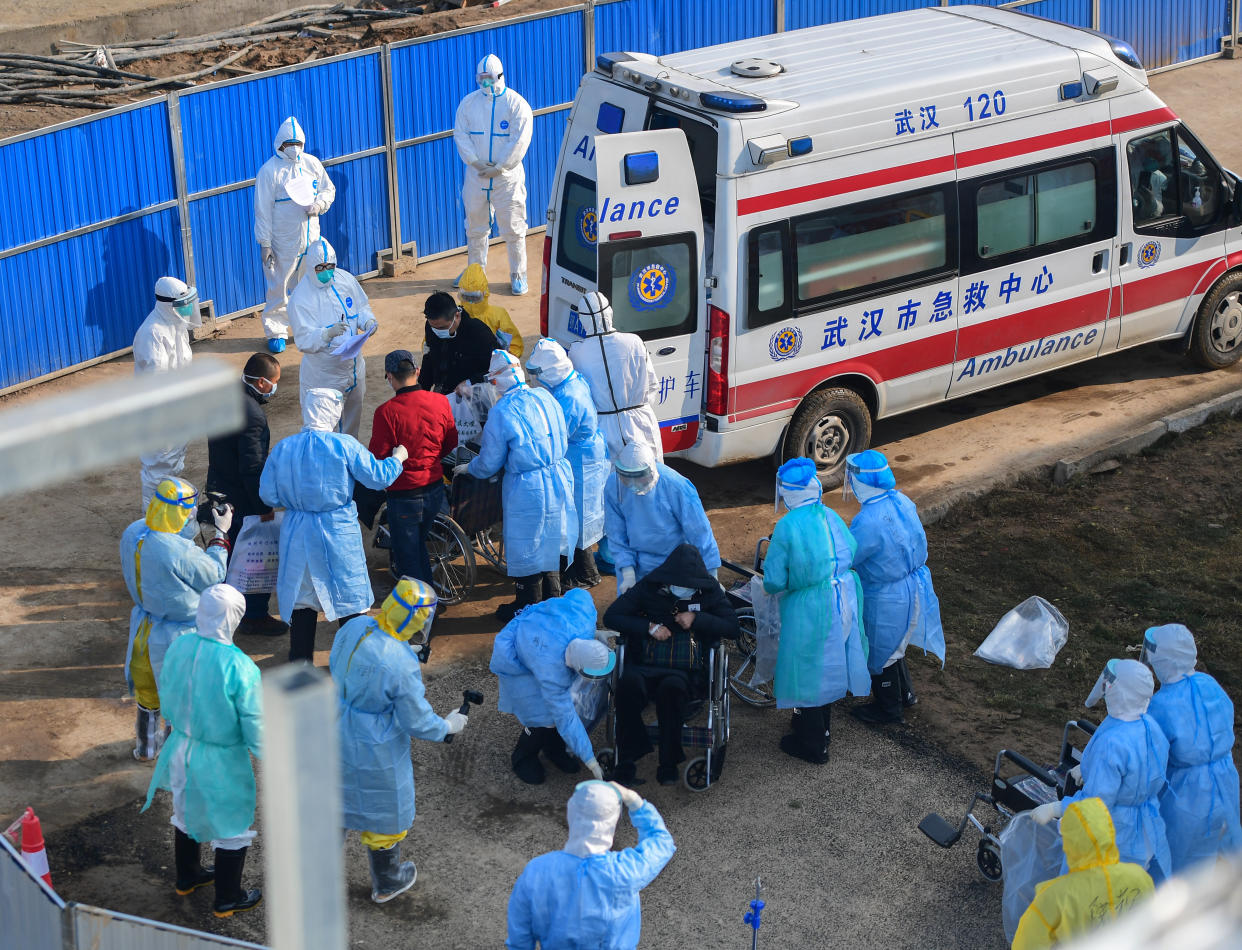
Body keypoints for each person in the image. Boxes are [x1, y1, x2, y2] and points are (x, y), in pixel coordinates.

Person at [329, 579, 468, 903]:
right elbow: (415, 719)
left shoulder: (357, 625)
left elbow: (351, 659)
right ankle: (388, 881)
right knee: (383, 808)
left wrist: (404, 649)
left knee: (335, 800)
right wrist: (447, 726)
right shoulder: (401, 665)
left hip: (336, 722)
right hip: (376, 743)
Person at [142, 584, 264, 918]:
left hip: (180, 745)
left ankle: (188, 876)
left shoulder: (181, 645)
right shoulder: (240, 667)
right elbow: (255, 724)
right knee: (232, 825)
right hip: (221, 759)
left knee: (185, 811)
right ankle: (228, 897)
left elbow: (166, 686)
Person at [260, 388, 405, 662]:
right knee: (348, 595)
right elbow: (378, 477)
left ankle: (300, 666)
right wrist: (399, 457)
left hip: (297, 530)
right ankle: (354, 663)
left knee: (303, 600)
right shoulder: (344, 445)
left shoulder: (284, 448)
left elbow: (268, 495)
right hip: (337, 531)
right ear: (333, 412)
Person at [603, 544, 739, 786]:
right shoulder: (650, 586)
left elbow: (732, 628)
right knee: (627, 685)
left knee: (672, 690)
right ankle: (626, 760)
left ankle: (668, 763)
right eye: (677, 583)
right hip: (647, 660)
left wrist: (697, 618)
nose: (682, 588)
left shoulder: (708, 591)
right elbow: (612, 616)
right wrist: (649, 627)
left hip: (684, 670)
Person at [763, 458, 870, 764]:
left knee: (808, 669)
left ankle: (812, 744)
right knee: (830, 663)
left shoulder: (787, 526)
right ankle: (821, 730)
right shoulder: (830, 514)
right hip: (844, 596)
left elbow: (773, 580)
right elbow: (852, 547)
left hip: (810, 604)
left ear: (787, 493)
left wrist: (778, 586)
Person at [1031, 659, 1172, 883]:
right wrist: (1088, 768)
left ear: (1119, 693)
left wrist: (1056, 807)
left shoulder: (1112, 744)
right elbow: (1139, 772)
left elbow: (1096, 803)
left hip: (1107, 834)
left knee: (1084, 899)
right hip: (1141, 830)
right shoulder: (1149, 726)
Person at [120, 477, 230, 760]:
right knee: (181, 698)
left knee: (148, 694)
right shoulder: (176, 551)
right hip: (176, 638)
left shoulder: (134, 532)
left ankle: (146, 749)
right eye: (188, 512)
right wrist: (220, 536)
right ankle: (176, 753)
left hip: (143, 631)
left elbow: (165, 538)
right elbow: (213, 575)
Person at [464, 350, 576, 621]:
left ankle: (528, 603)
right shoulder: (545, 395)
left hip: (529, 487)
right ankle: (553, 598)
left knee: (528, 544)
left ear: (497, 382)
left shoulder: (502, 412)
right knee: (553, 538)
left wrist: (468, 468)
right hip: (559, 475)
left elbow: (489, 463)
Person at [505, 780, 675, 949]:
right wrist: (634, 801)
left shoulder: (537, 871)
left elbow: (519, 937)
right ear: (611, 824)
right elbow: (661, 841)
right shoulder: (625, 870)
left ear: (571, 814)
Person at [844, 450, 946, 724]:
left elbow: (850, 555)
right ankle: (905, 695)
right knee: (897, 645)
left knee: (881, 650)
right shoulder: (901, 500)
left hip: (887, 595)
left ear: (861, 482)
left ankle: (888, 710)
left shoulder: (868, 520)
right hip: (913, 585)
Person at [1143, 623, 1241, 872]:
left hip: (1187, 792)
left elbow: (1151, 755)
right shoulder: (1209, 684)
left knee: (1178, 861)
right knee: (1223, 850)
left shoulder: (1162, 704)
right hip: (1225, 777)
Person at [490, 589, 613, 785]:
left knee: (559, 710)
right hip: (515, 652)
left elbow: (579, 593)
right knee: (542, 715)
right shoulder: (551, 672)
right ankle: (523, 756)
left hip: (540, 632)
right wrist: (591, 761)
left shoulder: (585, 616)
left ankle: (553, 747)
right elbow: (566, 718)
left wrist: (595, 633)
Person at [205, 351, 287, 637]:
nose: (276, 388)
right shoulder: (252, 415)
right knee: (252, 558)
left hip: (219, 487)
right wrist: (263, 505)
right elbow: (252, 468)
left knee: (225, 552)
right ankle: (253, 615)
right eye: (274, 383)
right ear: (262, 383)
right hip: (240, 497)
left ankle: (221, 607)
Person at [1011, 797, 1153, 950]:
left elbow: (1027, 944)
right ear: (1109, 829)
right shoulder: (1140, 876)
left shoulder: (1054, 897)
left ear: (1070, 841)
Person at [367, 350, 458, 586]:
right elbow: (451, 441)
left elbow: (378, 456)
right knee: (418, 546)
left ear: (389, 376)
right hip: (435, 489)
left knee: (409, 556)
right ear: (417, 372)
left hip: (404, 495)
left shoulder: (386, 413)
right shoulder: (440, 401)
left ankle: (424, 611)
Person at [526, 338, 608, 588]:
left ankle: (586, 574)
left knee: (578, 518)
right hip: (584, 456)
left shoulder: (569, 397)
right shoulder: (570, 382)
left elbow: (558, 435)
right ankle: (585, 569)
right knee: (579, 516)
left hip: (581, 461)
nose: (535, 379)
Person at [453, 54, 533, 296]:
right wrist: (475, 163)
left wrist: (500, 167)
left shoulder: (516, 105)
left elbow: (519, 140)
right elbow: (461, 134)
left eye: (488, 79)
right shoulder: (469, 103)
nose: (484, 84)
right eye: (481, 79)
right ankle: (475, 273)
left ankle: (518, 274)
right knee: (475, 228)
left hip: (506, 179)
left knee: (513, 227)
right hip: (476, 177)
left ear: (500, 76)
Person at [253, 115, 335, 353]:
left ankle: (308, 325)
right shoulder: (269, 171)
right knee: (280, 285)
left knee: (310, 283)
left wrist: (318, 205)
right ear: (279, 143)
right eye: (288, 143)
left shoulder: (311, 164)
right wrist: (265, 243)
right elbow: (262, 210)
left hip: (311, 238)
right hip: (283, 241)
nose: (293, 148)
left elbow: (328, 189)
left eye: (297, 143)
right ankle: (277, 330)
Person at [287, 237, 377, 439]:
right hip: (324, 374)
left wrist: (368, 321)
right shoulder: (301, 299)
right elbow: (303, 339)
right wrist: (326, 334)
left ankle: (348, 457)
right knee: (323, 428)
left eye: (330, 266)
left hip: (354, 367)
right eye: (320, 267)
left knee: (352, 419)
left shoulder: (345, 279)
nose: (326, 271)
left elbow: (361, 307)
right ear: (311, 267)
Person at [604, 442, 719, 596]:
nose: (633, 484)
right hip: (637, 565)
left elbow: (700, 532)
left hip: (675, 563)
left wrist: (712, 576)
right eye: (627, 478)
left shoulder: (676, 485)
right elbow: (616, 533)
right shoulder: (614, 485)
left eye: (639, 477)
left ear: (652, 470)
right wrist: (628, 572)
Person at [566, 291, 663, 462]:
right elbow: (653, 385)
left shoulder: (576, 353)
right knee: (651, 478)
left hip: (602, 428)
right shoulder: (634, 341)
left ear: (583, 320)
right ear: (609, 312)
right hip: (641, 423)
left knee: (612, 485)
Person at [133, 276, 199, 509]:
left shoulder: (176, 324)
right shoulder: (152, 333)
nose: (188, 308)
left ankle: (169, 510)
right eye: (183, 304)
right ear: (166, 304)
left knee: (174, 462)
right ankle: (151, 519)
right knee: (158, 466)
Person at [419, 290, 499, 397]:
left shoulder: (478, 332)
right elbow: (430, 358)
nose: (437, 331)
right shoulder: (431, 327)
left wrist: (470, 382)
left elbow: (498, 367)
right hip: (444, 390)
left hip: (473, 393)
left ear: (457, 316)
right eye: (433, 327)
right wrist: (420, 392)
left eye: (443, 328)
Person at [459, 262, 523, 357]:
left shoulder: (498, 316)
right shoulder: (455, 314)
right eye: (466, 297)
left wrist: (503, 361)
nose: (470, 302)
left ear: (485, 293)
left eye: (475, 297)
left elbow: (515, 346)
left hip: (493, 365)